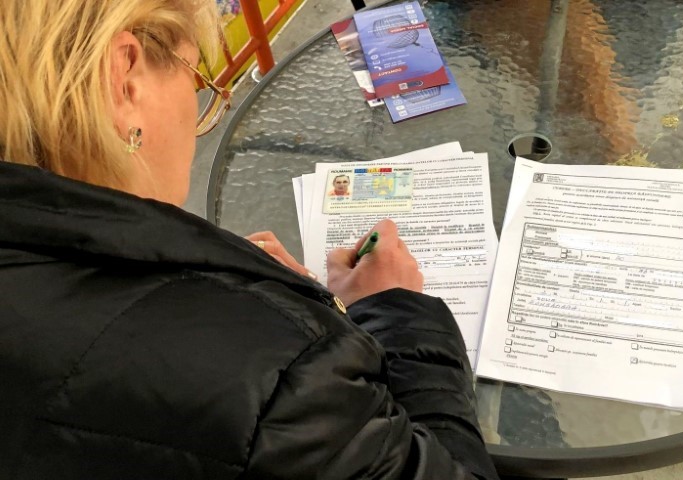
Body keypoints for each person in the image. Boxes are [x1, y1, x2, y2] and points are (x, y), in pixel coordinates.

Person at [0, 1, 499, 479]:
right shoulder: (279, 379)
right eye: (196, 79)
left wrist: (273, 297)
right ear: (124, 77)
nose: (197, 119)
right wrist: (395, 311)